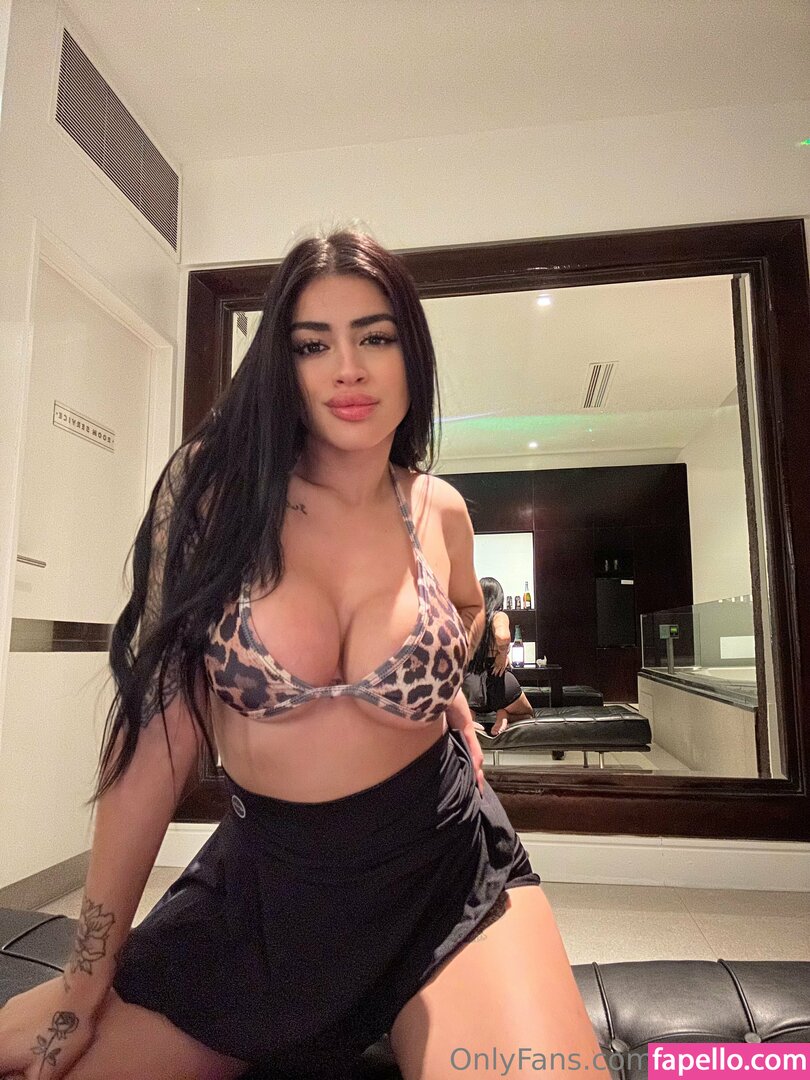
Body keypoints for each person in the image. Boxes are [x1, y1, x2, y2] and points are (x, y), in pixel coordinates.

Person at [0, 229, 603, 1080]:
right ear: (281, 366)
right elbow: (155, 740)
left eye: (375, 337)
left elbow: (468, 608)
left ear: (411, 353)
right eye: (313, 345)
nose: (347, 369)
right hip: (270, 895)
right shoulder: (213, 498)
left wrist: (444, 682)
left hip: (444, 873)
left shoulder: (439, 509)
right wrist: (81, 983)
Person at [462, 576, 535, 736]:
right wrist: (502, 654)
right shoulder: (498, 615)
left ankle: (469, 718)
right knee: (529, 714)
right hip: (498, 680)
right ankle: (504, 714)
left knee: (467, 707)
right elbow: (502, 636)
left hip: (469, 682)